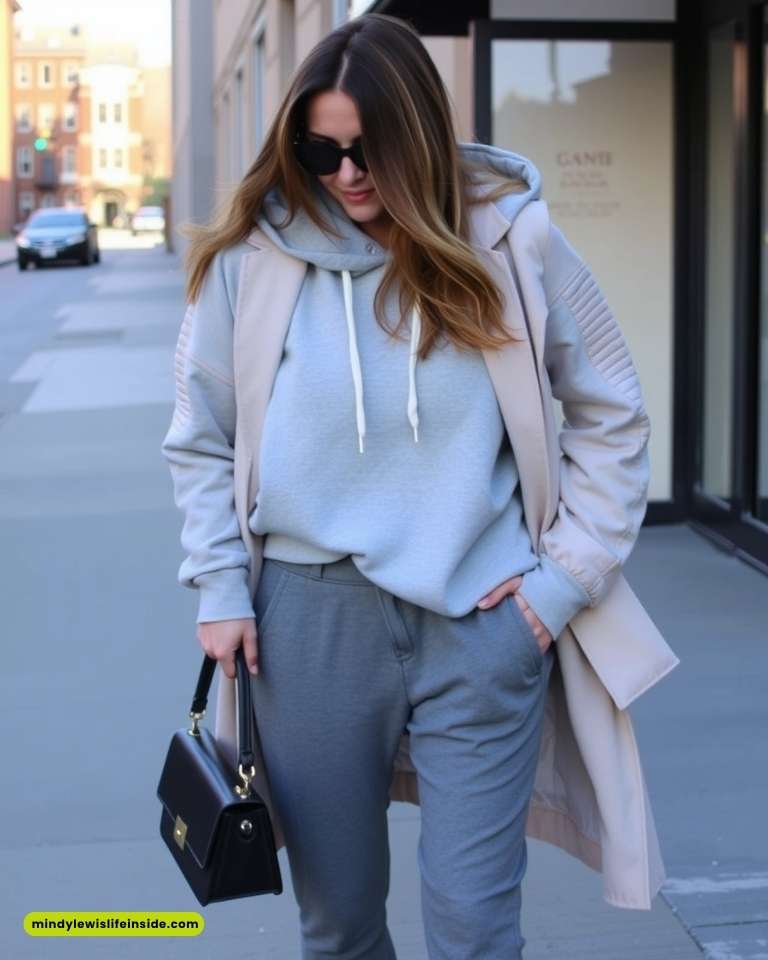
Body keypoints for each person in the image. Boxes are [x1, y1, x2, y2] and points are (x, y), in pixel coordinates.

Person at [161, 12, 654, 959]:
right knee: (339, 926)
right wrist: (220, 586)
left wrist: (558, 589)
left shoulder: (511, 240)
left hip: (483, 620)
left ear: (417, 133)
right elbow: (199, 441)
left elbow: (613, 414)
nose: (347, 174)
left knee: (475, 927)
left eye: (369, 149)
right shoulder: (248, 263)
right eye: (320, 150)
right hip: (306, 629)